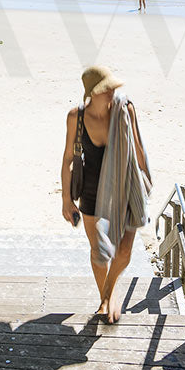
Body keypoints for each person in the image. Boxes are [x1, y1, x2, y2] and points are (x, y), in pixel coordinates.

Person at [60, 66, 152, 323]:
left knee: (123, 252)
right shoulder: (75, 117)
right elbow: (68, 158)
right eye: (106, 90)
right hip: (91, 190)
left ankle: (109, 294)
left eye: (113, 88)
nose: (112, 93)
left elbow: (137, 148)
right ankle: (106, 298)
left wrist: (144, 181)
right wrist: (66, 200)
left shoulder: (125, 109)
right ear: (91, 94)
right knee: (98, 251)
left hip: (125, 186)